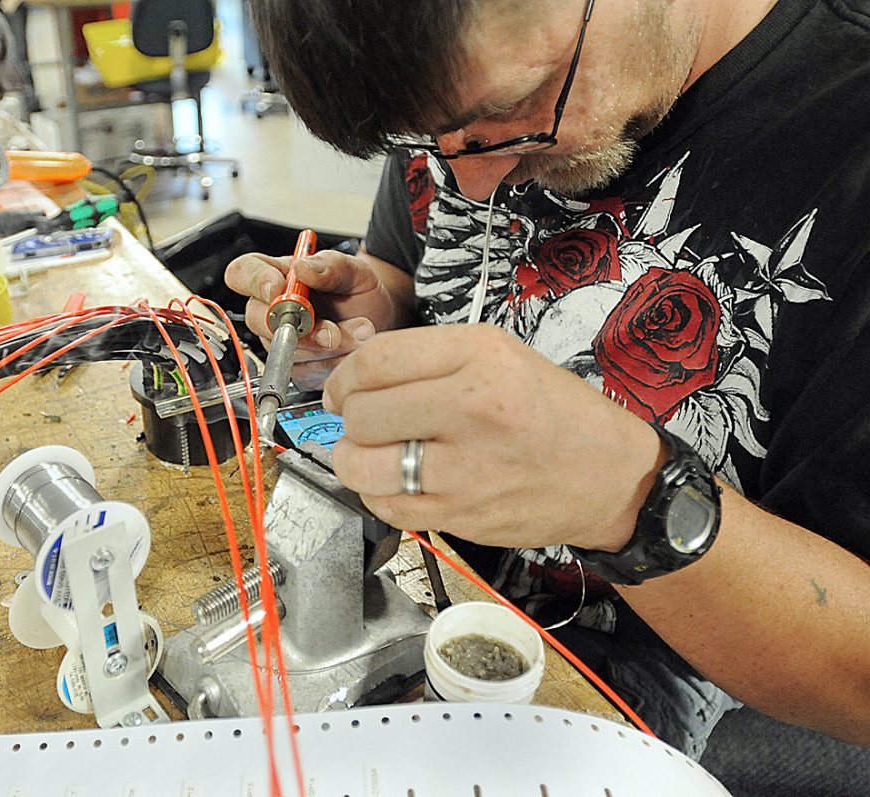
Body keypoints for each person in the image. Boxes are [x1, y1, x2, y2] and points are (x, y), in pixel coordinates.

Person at [225, 0, 870, 777]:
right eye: (429, 144)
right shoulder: (456, 88)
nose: (471, 181)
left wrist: (630, 500)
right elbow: (413, 269)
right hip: (439, 610)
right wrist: (373, 312)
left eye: (515, 106)